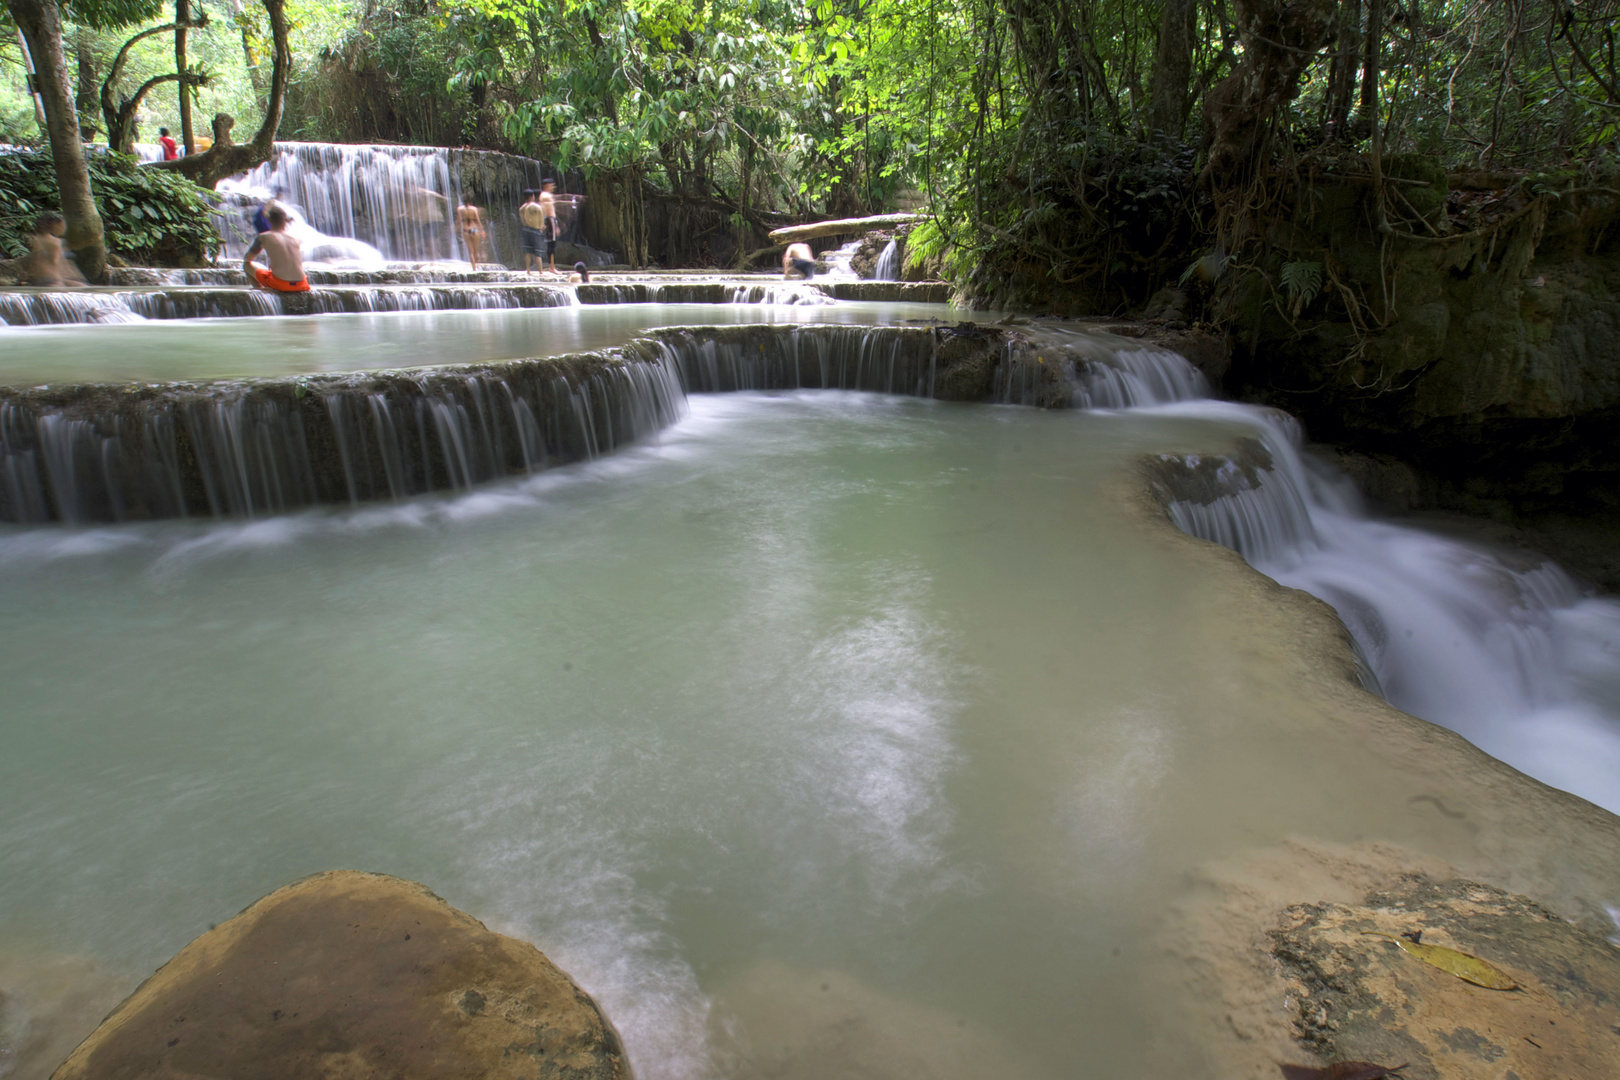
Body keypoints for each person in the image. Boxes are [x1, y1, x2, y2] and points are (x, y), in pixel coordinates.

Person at [243, 204, 310, 293]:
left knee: (246, 265)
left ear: (269, 220)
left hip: (281, 284)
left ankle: (263, 296)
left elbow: (247, 258)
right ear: (285, 221)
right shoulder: (295, 238)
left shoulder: (263, 237)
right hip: (302, 284)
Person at [27, 213, 80, 286]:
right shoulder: (55, 241)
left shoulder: (36, 239)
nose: (64, 228)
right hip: (52, 278)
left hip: (38, 278)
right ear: (54, 225)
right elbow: (56, 262)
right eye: (63, 225)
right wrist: (65, 279)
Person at [518, 189, 545, 273]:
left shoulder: (521, 208)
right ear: (532, 196)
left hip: (526, 229)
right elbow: (541, 218)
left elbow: (522, 220)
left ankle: (528, 270)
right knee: (538, 252)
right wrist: (541, 227)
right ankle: (541, 271)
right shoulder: (537, 206)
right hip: (536, 230)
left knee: (527, 251)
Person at [538, 178, 561, 275]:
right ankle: (552, 267)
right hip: (550, 220)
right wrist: (554, 226)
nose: (553, 187)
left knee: (551, 244)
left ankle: (552, 266)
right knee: (551, 244)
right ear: (546, 185)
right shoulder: (545, 195)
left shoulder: (545, 195)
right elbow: (543, 209)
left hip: (550, 220)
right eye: (551, 185)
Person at [457, 202, 487, 267]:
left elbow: (458, 221)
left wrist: (455, 228)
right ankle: (478, 266)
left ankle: (474, 268)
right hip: (474, 230)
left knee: (471, 252)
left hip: (466, 230)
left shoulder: (460, 209)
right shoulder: (474, 209)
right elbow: (478, 221)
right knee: (476, 250)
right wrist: (482, 231)